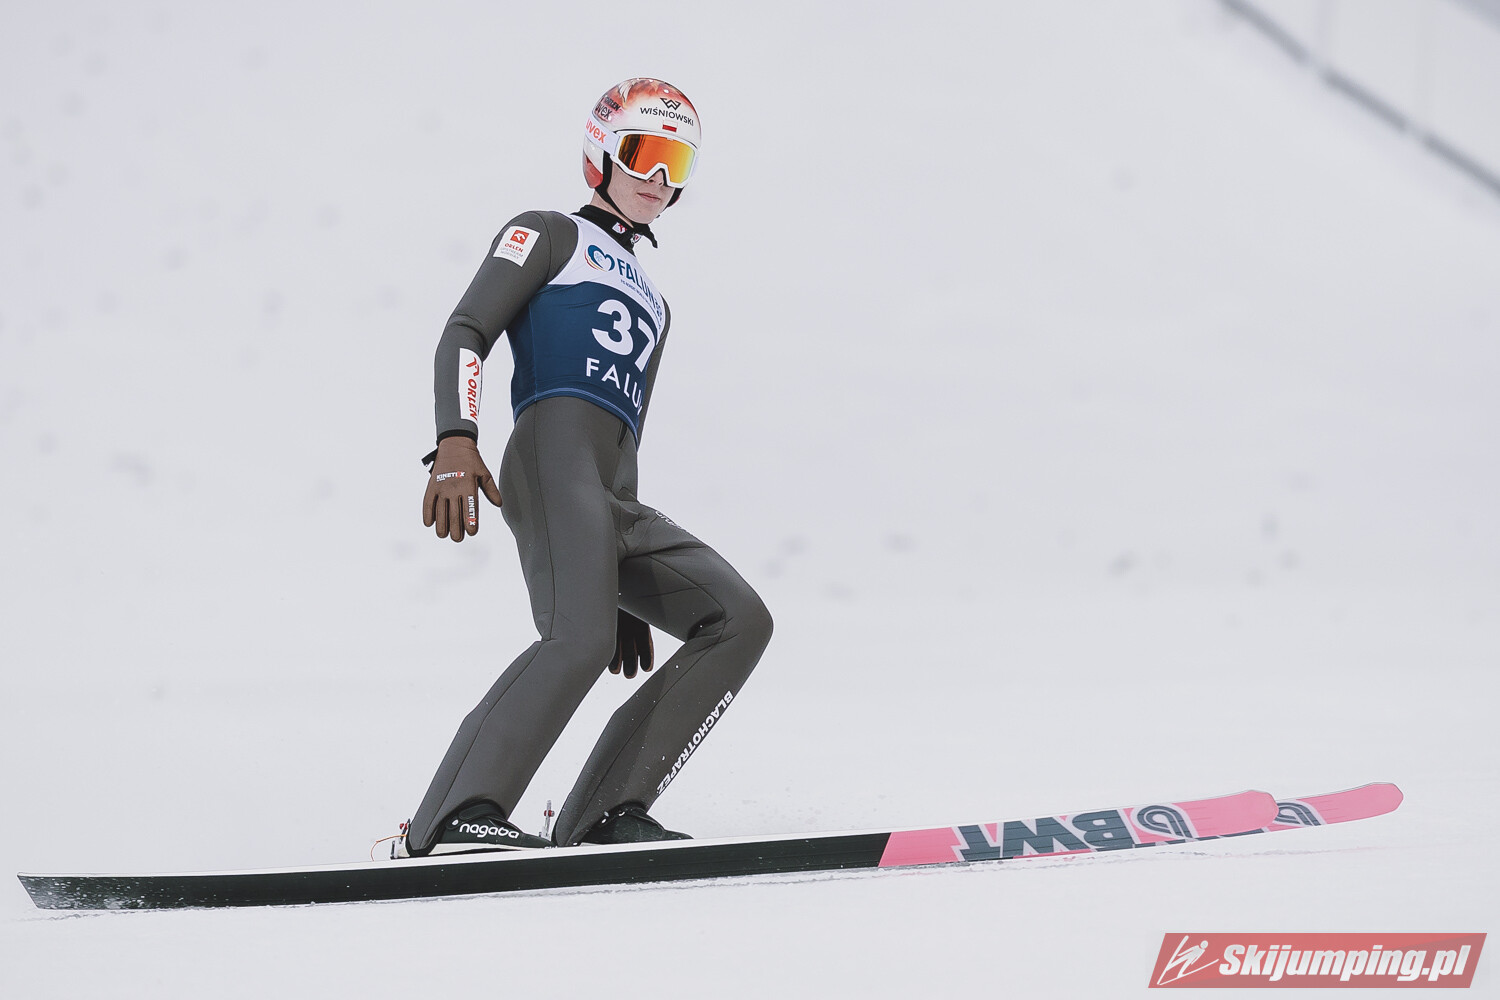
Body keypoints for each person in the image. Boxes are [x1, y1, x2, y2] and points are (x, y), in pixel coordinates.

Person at [400, 78, 773, 857]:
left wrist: (619, 578)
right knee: (577, 638)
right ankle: (454, 815)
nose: (659, 179)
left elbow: (629, 431)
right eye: (644, 153)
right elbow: (466, 329)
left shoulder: (656, 303)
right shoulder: (547, 232)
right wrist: (455, 439)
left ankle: (606, 809)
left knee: (739, 619)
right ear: (602, 151)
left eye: (677, 163)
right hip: (550, 456)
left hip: (609, 488)